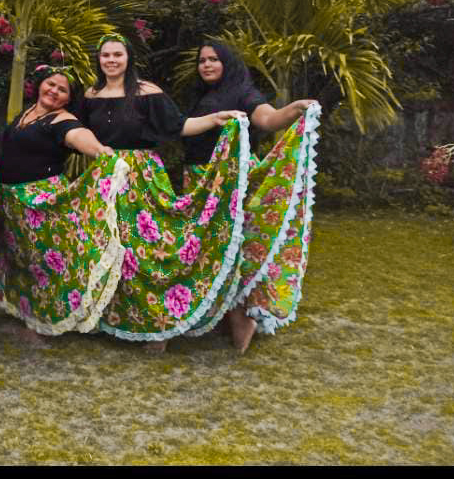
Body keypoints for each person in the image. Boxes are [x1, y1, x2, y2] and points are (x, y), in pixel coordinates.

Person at [80, 35, 247, 354]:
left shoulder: (147, 92)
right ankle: (117, 319)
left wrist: (214, 119)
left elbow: (178, 126)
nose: (111, 60)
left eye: (117, 54)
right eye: (105, 55)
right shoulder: (90, 95)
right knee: (111, 248)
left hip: (142, 176)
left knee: (147, 250)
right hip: (105, 176)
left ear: (128, 58)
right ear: (98, 59)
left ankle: (160, 326)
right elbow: (79, 132)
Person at [183, 40, 319, 352]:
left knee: (235, 245)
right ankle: (216, 312)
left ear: (228, 63)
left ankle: (243, 315)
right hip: (200, 180)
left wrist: (294, 109)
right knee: (207, 246)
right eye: (202, 60)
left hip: (231, 181)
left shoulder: (244, 92)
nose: (206, 65)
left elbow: (268, 120)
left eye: (214, 59)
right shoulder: (199, 95)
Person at [0, 65, 128, 340]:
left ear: (68, 99)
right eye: (50, 84)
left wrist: (100, 151)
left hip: (41, 204)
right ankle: (31, 315)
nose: (54, 91)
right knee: (24, 260)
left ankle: (53, 320)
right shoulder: (28, 112)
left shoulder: (63, 120)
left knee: (47, 263)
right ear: (40, 84)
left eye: (62, 90)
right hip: (14, 203)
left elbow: (78, 135)